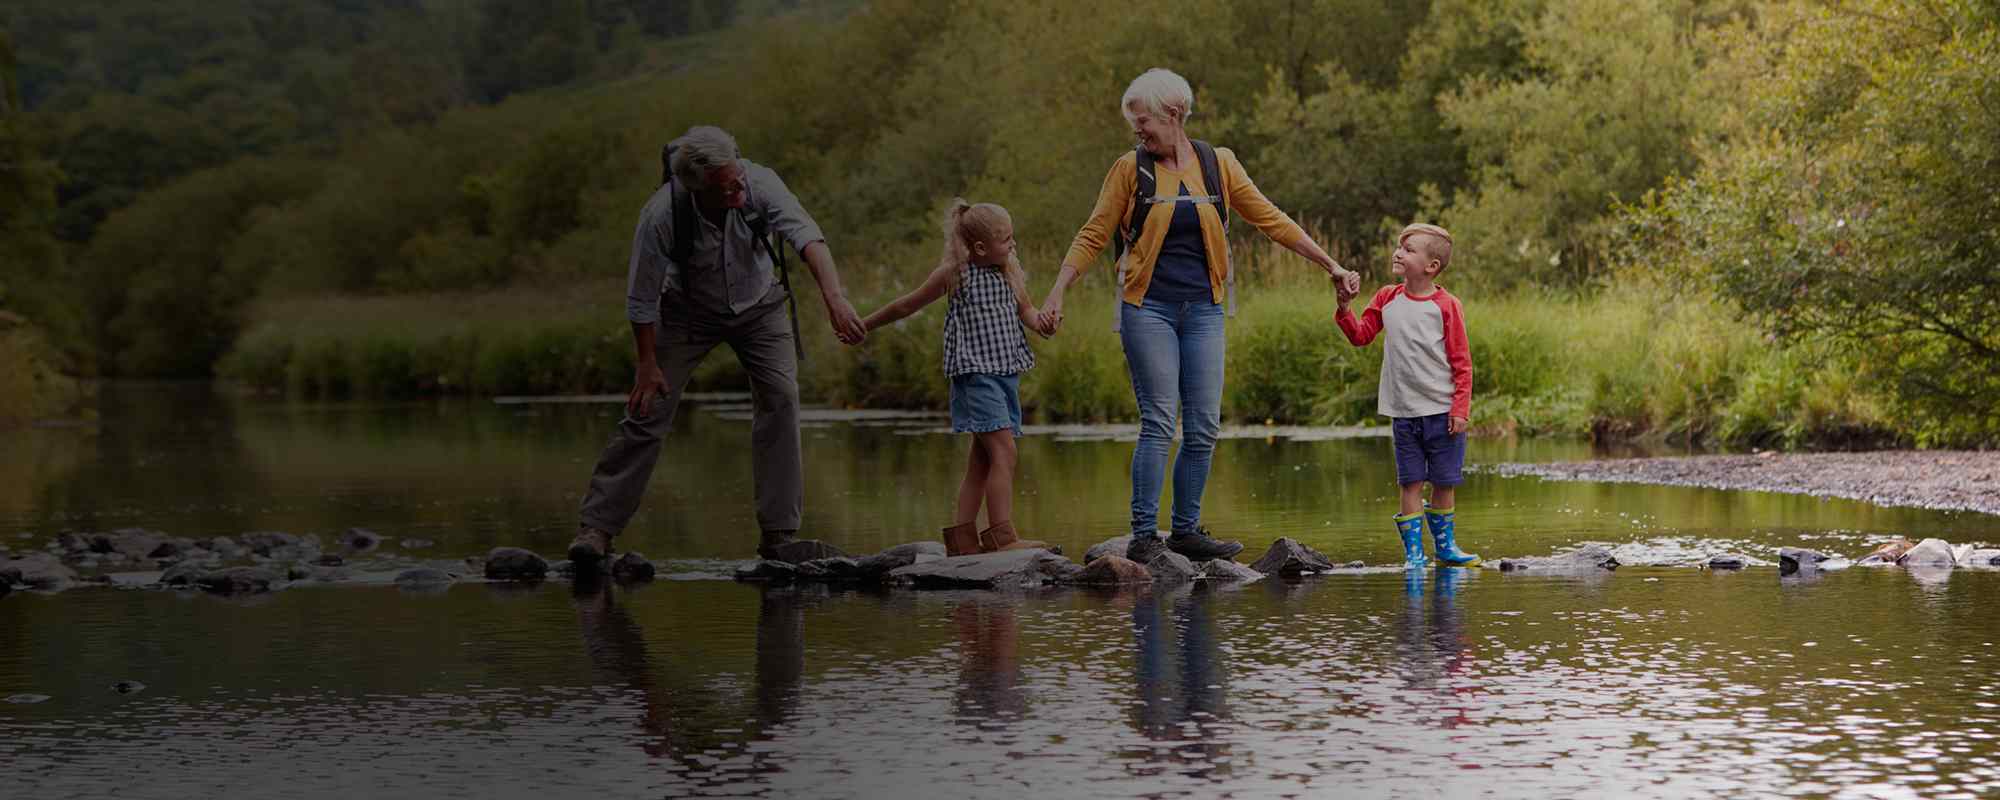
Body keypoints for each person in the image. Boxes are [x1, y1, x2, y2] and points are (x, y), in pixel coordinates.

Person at [1037, 68, 1362, 565]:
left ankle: (1186, 531)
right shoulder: (1130, 169)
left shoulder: (1218, 163)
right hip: (1148, 309)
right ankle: (1145, 535)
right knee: (1160, 420)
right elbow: (1094, 233)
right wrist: (1058, 290)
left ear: (1175, 113)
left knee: (1205, 424)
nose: (1138, 132)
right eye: (1134, 124)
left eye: (1143, 121)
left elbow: (1271, 219)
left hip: (1205, 310)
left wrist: (1331, 265)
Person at [572, 125, 868, 566]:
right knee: (647, 410)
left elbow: (809, 238)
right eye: (726, 187)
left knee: (782, 401)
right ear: (696, 188)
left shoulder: (759, 182)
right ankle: (596, 529)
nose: (737, 189)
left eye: (737, 179)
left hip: (761, 306)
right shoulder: (661, 216)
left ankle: (778, 536)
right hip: (686, 313)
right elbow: (641, 297)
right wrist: (647, 363)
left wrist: (835, 298)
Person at [861, 200, 1058, 555]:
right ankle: (1001, 536)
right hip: (975, 376)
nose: (1013, 245)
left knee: (982, 461)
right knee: (1005, 453)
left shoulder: (1008, 271)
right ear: (980, 247)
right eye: (1006, 239)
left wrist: (1042, 323)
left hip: (1004, 374)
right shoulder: (956, 275)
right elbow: (907, 305)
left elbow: (1026, 310)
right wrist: (865, 325)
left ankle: (962, 540)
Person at [1333, 223, 1479, 567]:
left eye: (1409, 249)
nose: (1398, 252)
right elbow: (1361, 336)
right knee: (1410, 481)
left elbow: (1462, 362)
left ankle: (1445, 547)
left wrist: (1460, 409)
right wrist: (1344, 309)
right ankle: (1414, 555)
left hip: (1442, 412)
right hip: (1404, 413)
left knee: (1444, 481)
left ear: (1432, 266)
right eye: (1399, 247)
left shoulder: (1447, 306)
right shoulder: (1386, 297)